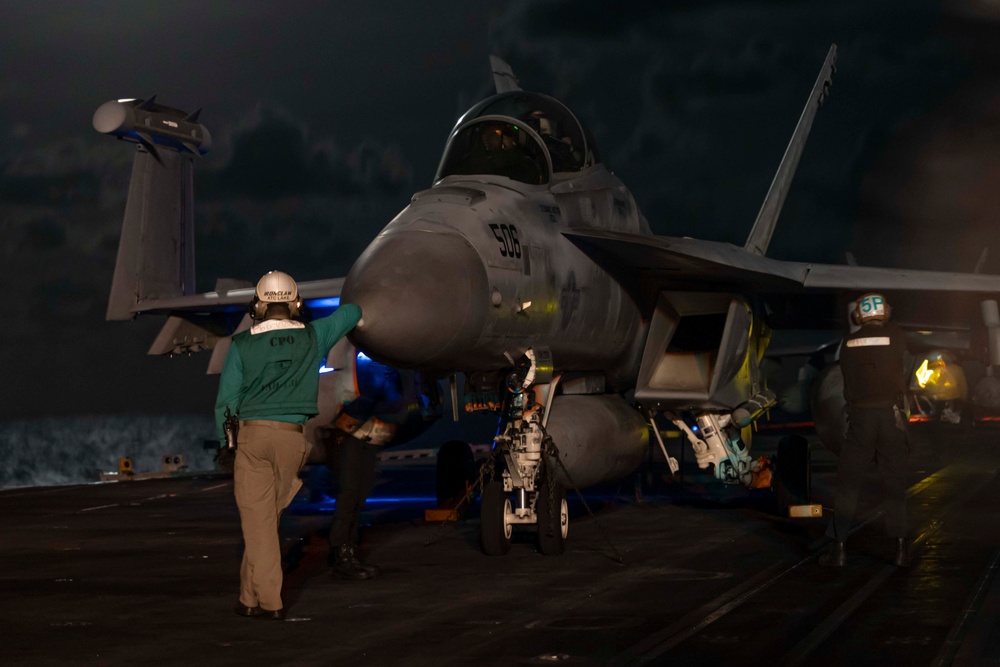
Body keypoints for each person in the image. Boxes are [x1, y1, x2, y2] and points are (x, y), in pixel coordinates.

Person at [216, 270, 361, 619]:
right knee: (263, 522)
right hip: (292, 441)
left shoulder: (242, 345)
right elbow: (352, 312)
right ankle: (247, 599)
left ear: (258, 305)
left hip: (252, 439)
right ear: (295, 303)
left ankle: (270, 603)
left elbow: (226, 402)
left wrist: (226, 444)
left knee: (259, 523)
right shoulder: (314, 335)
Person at [821, 293, 910, 568]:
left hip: (860, 419)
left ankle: (839, 551)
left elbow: (846, 377)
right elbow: (902, 363)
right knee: (894, 485)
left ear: (858, 316)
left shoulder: (849, 343)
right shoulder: (894, 338)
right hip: (888, 417)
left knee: (847, 486)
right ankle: (900, 551)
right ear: (884, 314)